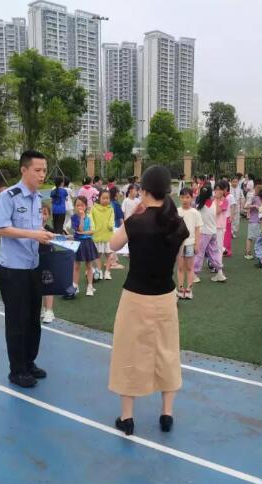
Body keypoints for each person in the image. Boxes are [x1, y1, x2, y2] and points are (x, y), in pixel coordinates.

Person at [108, 165, 189, 436]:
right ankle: (167, 413)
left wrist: (131, 216)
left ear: (143, 190)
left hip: (135, 297)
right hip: (165, 296)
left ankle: (127, 417)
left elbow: (113, 245)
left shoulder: (136, 222)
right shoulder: (177, 224)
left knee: (128, 352)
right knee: (167, 352)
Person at [0, 150, 54, 388]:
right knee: (17, 321)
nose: (42, 175)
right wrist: (34, 234)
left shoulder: (38, 198)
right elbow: (1, 229)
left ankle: (29, 362)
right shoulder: (8, 196)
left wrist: (46, 235)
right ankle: (17, 370)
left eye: (44, 170)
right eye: (37, 170)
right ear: (24, 170)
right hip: (14, 270)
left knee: (33, 320)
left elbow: (35, 229)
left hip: (33, 266)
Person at [193, 185, 226, 283]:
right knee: (214, 253)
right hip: (212, 232)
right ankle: (220, 273)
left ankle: (195, 274)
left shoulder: (200, 206)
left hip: (203, 233)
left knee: (199, 254)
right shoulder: (213, 203)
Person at [177, 187, 203, 299]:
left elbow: (197, 229)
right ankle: (180, 289)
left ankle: (189, 289)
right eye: (182, 197)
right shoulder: (176, 211)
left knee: (189, 267)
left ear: (192, 198)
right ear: (179, 198)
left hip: (190, 244)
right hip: (179, 244)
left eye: (187, 197)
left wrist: (197, 244)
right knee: (180, 267)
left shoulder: (195, 213)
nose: (185, 200)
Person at [71, 196, 98, 296]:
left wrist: (83, 233)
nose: (80, 207)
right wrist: (82, 218)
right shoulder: (74, 218)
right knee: (76, 266)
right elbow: (80, 229)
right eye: (77, 205)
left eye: (82, 205)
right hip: (77, 243)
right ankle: (75, 286)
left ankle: (90, 286)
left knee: (89, 266)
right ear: (74, 206)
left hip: (87, 243)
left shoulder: (89, 217)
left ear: (86, 206)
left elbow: (92, 231)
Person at [91, 190, 115, 280]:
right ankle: (99, 271)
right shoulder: (94, 208)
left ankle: (107, 272)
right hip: (97, 235)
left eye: (107, 198)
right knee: (98, 255)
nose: (105, 200)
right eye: (103, 198)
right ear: (99, 198)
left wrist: (110, 225)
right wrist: (92, 228)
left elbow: (112, 219)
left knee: (109, 255)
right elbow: (91, 219)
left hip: (108, 235)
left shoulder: (111, 209)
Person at [40, 206, 56, 324]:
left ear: (49, 216)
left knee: (48, 286)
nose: (42, 216)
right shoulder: (31, 228)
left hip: (47, 261)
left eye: (45, 213)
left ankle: (49, 311)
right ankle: (40, 309)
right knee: (37, 286)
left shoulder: (49, 229)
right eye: (39, 213)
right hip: (34, 261)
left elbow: (51, 241)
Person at [244, 180, 262, 259]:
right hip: (253, 220)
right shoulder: (253, 197)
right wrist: (254, 206)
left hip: (260, 221)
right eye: (257, 189)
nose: (257, 190)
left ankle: (258, 253)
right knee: (250, 237)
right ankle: (248, 253)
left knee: (259, 238)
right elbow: (245, 206)